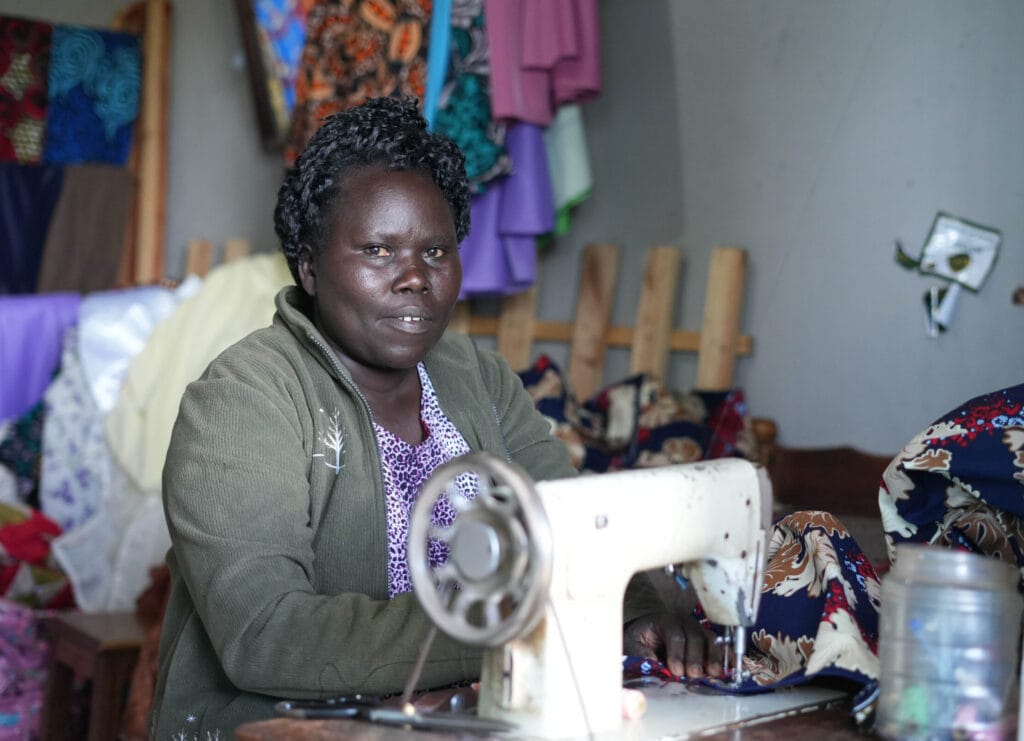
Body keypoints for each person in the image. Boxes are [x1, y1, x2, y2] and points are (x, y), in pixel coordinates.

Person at [149, 96, 722, 738]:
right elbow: (267, 633)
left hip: (470, 715)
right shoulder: (245, 398)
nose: (415, 279)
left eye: (436, 252)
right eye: (377, 250)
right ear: (309, 266)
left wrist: (636, 611)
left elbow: (568, 519)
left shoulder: (474, 376)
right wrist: (522, 627)